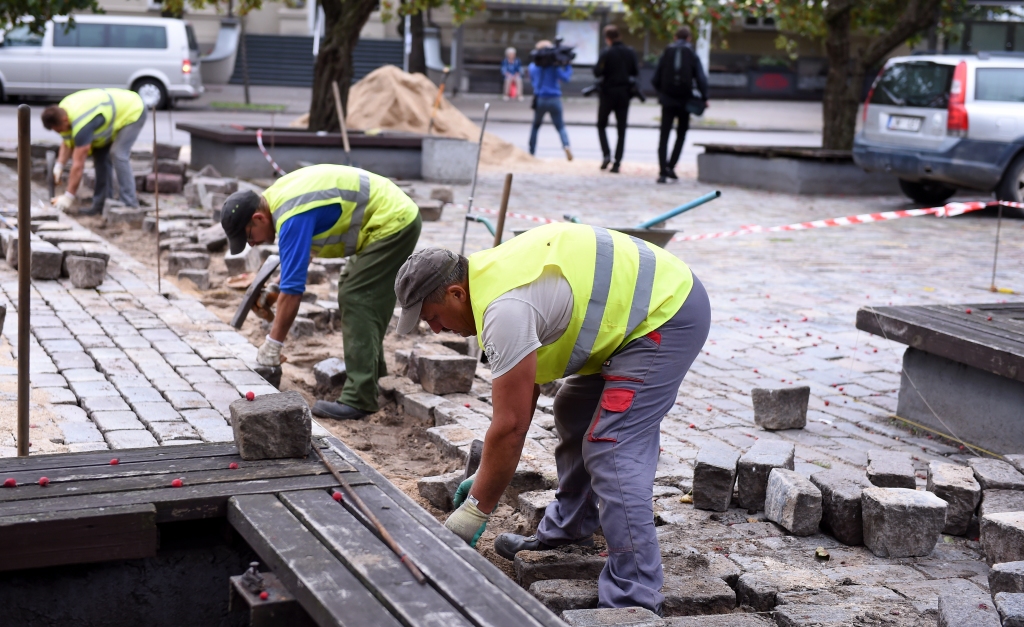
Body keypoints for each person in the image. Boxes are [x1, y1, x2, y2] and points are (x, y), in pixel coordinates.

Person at [393, 223, 711, 613]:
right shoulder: (488, 283)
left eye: (434, 317)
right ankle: (572, 527)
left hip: (667, 312)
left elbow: (510, 427)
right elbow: (521, 401)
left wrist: (476, 510)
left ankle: (634, 596)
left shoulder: (505, 310)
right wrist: (488, 476)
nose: (437, 329)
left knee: (612, 446)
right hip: (635, 314)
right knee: (572, 407)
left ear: (456, 293)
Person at [221, 164, 421, 421]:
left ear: (258, 219)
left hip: (394, 222)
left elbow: (293, 293)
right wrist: (275, 289)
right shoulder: (275, 200)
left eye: (249, 237)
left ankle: (360, 398)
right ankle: (372, 373)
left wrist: (272, 346)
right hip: (390, 216)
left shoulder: (290, 216)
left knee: (357, 296)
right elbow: (300, 255)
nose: (252, 244)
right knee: (353, 285)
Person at [41, 88, 147, 215]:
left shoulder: (82, 124)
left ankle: (130, 203)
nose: (61, 133)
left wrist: (68, 197)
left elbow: (78, 165)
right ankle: (101, 204)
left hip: (132, 109)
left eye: (59, 130)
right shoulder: (63, 110)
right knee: (100, 156)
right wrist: (59, 165)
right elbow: (67, 141)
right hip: (108, 117)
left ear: (64, 120)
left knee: (118, 153)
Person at [651, 27, 708, 184]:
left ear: (675, 37)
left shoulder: (667, 52)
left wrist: (662, 93)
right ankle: (671, 166)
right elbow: (701, 78)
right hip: (684, 101)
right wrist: (705, 97)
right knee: (681, 135)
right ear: (689, 38)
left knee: (664, 136)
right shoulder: (691, 53)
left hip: (667, 100)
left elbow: (655, 78)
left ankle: (662, 171)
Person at [593, 25, 639, 173]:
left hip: (607, 94)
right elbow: (635, 71)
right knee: (621, 130)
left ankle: (606, 154)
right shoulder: (629, 52)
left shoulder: (607, 53)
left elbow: (597, 72)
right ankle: (617, 162)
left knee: (601, 125)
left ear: (607, 38)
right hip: (624, 94)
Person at [528, 40, 573, 161]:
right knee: (560, 126)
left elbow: (533, 82)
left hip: (540, 99)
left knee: (536, 126)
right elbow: (566, 78)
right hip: (555, 99)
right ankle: (566, 145)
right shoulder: (554, 67)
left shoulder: (532, 67)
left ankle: (531, 152)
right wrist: (568, 64)